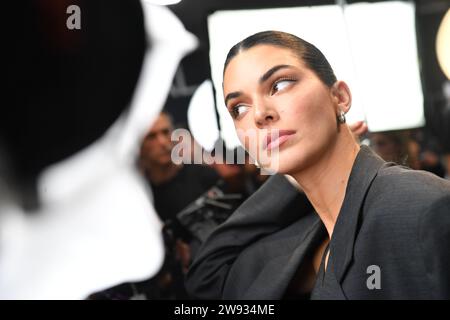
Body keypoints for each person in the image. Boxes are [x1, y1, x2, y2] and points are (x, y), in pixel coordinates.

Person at [185, 31, 450, 299]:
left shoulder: (416, 204)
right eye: (238, 108)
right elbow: (209, 279)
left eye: (280, 85)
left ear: (340, 97)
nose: (258, 114)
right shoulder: (319, 239)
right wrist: (291, 179)